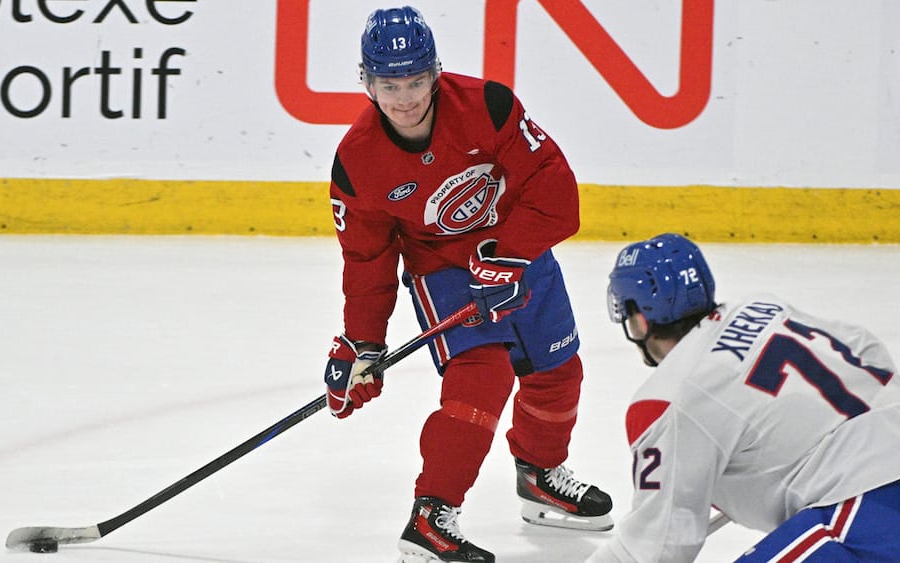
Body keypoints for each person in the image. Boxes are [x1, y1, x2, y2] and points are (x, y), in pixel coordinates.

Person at [321, 5, 613, 562]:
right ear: (366, 82)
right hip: (442, 270)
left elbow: (555, 190)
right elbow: (367, 261)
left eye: (415, 80)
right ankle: (432, 516)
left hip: (518, 248)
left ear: (435, 72)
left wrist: (510, 254)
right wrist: (362, 342)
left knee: (557, 368)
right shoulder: (357, 163)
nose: (404, 98)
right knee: (481, 379)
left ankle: (540, 476)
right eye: (389, 84)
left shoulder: (490, 105)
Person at [590, 232, 900, 562]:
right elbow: (867, 348)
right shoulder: (761, 306)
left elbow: (657, 548)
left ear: (640, 318)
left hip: (867, 508)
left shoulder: (670, 398)